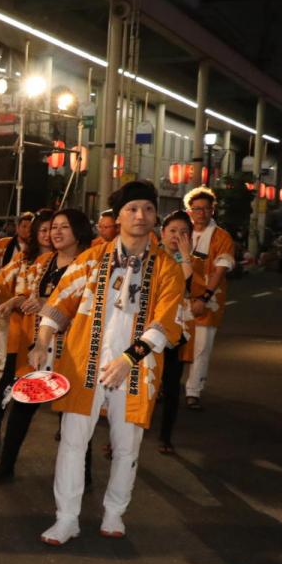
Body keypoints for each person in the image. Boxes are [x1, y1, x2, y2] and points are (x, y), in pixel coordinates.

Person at [31, 180, 184, 544]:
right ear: (118, 217)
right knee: (72, 442)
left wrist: (129, 359)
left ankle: (115, 512)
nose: (140, 216)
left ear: (155, 217)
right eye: (132, 209)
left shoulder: (166, 267)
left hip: (134, 370)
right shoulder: (93, 258)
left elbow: (167, 322)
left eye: (147, 209)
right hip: (83, 364)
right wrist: (41, 340)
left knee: (126, 445)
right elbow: (60, 299)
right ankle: (66, 518)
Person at [0, 209, 89, 484]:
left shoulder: (88, 264)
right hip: (40, 346)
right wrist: (15, 301)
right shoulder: (44, 262)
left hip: (71, 348)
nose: (56, 232)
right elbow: (27, 293)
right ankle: (6, 466)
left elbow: (89, 307)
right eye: (54, 227)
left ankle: (84, 473)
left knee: (74, 414)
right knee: (22, 405)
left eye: (64, 227)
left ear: (78, 231)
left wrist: (47, 306)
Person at [0, 210, 52, 444]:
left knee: (52, 385)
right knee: (9, 381)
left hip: (52, 334)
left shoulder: (64, 261)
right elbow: (2, 277)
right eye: (43, 229)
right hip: (20, 330)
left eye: (52, 229)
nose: (48, 234)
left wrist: (19, 300)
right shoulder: (23, 258)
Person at [183, 186, 235, 410]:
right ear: (189, 211)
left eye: (206, 209)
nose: (201, 213)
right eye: (196, 209)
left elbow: (220, 269)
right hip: (179, 298)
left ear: (212, 211)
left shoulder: (221, 237)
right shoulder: (181, 233)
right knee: (172, 344)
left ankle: (193, 390)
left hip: (208, 300)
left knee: (201, 347)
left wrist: (203, 298)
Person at [156, 210, 203, 455]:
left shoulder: (192, 261)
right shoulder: (149, 256)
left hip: (174, 332)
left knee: (172, 385)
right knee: (139, 384)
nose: (177, 236)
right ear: (162, 233)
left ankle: (165, 436)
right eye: (172, 231)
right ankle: (121, 436)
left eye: (183, 232)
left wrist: (185, 257)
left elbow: (185, 286)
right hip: (147, 327)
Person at [0, 211, 34, 366]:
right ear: (17, 227)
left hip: (26, 295)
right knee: (1, 325)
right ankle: (4, 360)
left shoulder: (36, 249)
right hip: (5, 293)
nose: (27, 230)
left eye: (31, 227)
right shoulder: (2, 245)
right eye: (24, 226)